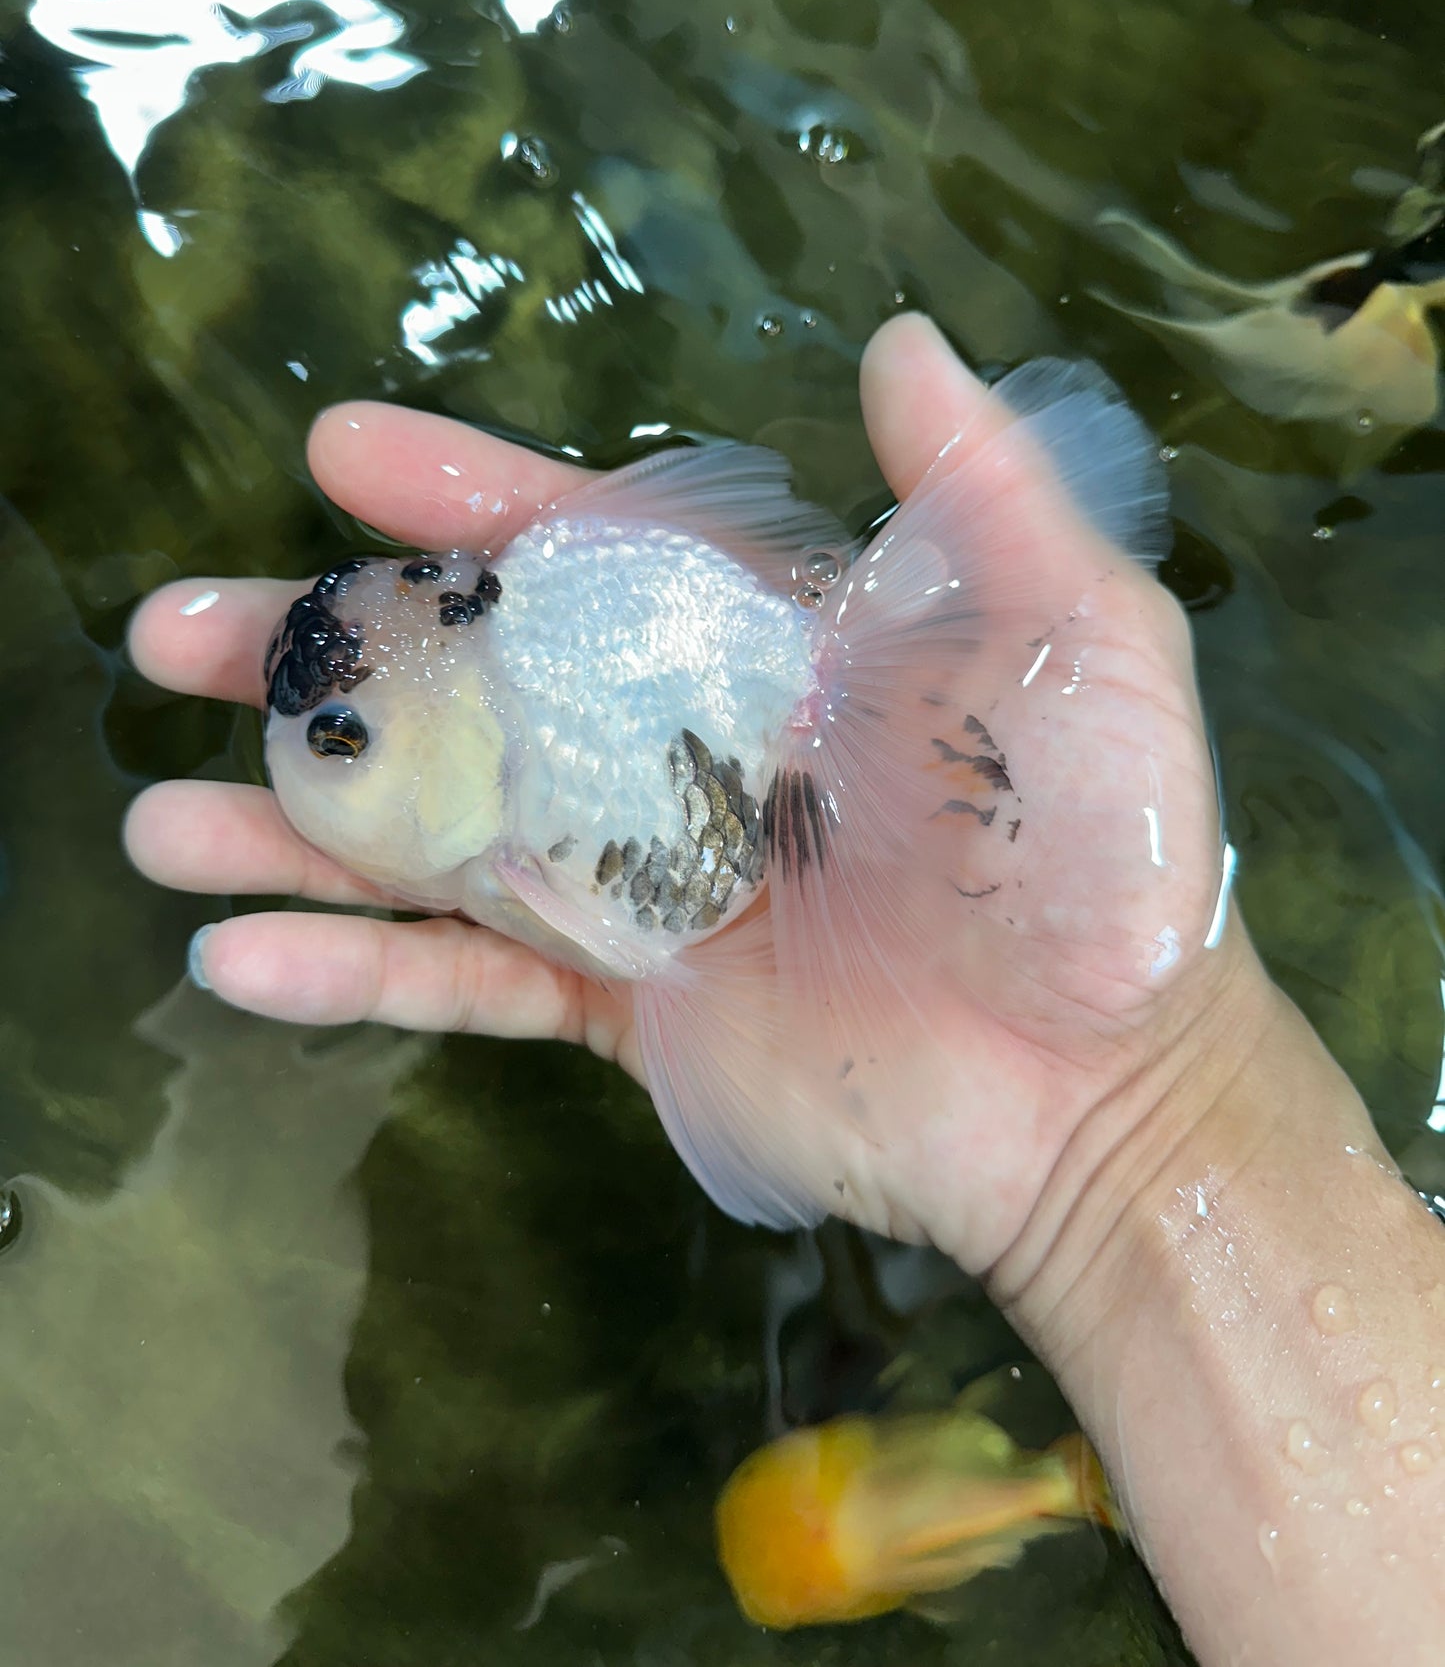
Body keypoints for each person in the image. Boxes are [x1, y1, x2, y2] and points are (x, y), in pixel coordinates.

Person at [124, 315, 1445, 1666]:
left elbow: (649, 951)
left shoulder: (548, 774)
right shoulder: (533, 676)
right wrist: (1137, 1132)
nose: (309, 752)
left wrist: (1132, 1114)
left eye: (340, 740)